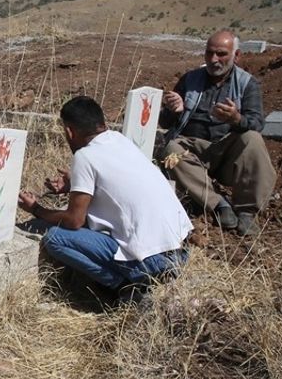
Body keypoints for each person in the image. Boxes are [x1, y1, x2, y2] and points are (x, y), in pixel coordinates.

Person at [18, 96, 193, 305]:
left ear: (69, 132)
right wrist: (74, 186)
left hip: (151, 262)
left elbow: (74, 220)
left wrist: (36, 209)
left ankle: (127, 289)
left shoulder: (85, 156)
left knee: (56, 238)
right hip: (180, 252)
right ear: (103, 124)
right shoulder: (120, 140)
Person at [159, 29, 276, 236]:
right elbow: (165, 122)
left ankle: (247, 212)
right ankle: (218, 204)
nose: (214, 60)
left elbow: (257, 123)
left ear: (236, 56)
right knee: (170, 150)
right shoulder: (190, 79)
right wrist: (173, 111)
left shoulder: (247, 84)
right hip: (191, 150)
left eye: (221, 54)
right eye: (209, 53)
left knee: (252, 138)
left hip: (226, 151)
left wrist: (236, 119)